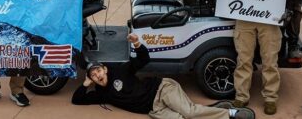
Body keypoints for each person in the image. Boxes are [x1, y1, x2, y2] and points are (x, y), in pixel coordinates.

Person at [72, 33, 255, 119]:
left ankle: (231, 114)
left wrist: (137, 44)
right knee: (184, 118)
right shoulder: (101, 94)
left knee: (189, 113)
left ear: (104, 69)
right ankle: (213, 109)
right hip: (154, 110)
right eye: (94, 75)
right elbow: (77, 100)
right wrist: (86, 83)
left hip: (161, 89)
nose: (97, 75)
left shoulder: (120, 70)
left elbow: (143, 59)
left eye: (98, 71)